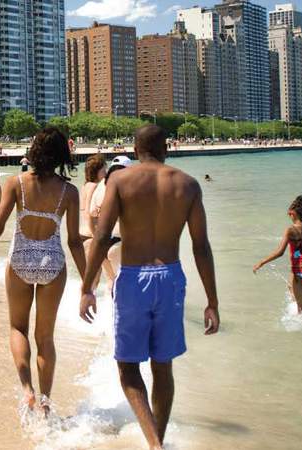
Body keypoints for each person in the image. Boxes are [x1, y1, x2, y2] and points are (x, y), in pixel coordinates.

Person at [80, 125, 220, 450]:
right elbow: (202, 246)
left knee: (128, 367)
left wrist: (87, 286)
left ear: (135, 148)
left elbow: (101, 236)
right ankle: (160, 438)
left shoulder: (120, 181)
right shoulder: (188, 184)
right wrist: (212, 301)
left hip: (132, 277)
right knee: (163, 366)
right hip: (170, 278)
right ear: (166, 148)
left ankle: (154, 444)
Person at [0, 127, 86, 415]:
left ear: (34, 151)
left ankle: (27, 390)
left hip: (20, 260)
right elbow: (74, 242)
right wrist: (88, 283)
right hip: (53, 263)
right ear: (61, 156)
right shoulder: (69, 191)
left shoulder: (16, 183)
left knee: (18, 327)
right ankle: (45, 402)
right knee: (45, 338)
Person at [89, 155, 132, 284]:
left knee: (112, 285)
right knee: (127, 286)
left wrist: (96, 238)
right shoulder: (127, 185)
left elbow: (92, 215)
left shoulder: (102, 184)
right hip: (121, 242)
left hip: (103, 243)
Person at [80, 154, 107, 289]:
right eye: (104, 170)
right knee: (94, 278)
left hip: (84, 235)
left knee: (91, 278)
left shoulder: (86, 185)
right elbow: (88, 213)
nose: (106, 173)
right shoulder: (94, 186)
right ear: (97, 171)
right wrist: (96, 236)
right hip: (90, 235)